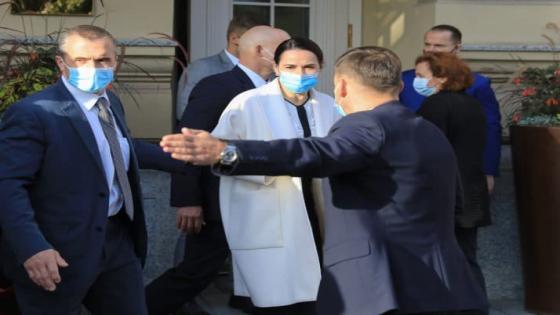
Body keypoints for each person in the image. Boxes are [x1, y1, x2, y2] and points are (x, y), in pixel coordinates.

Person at [161, 46, 489, 315]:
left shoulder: (364, 126)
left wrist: (227, 152)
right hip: (442, 281)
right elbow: (455, 200)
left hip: (378, 287)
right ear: (400, 87)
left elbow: (317, 153)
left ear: (341, 85)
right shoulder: (427, 129)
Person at [0, 25, 186, 315]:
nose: (93, 68)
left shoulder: (111, 102)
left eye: (102, 60)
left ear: (116, 62)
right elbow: (7, 185)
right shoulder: (34, 113)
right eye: (81, 61)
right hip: (55, 252)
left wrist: (186, 156)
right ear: (62, 64)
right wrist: (32, 248)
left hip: (116, 242)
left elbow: (117, 147)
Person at [145, 25, 290, 315]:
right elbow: (188, 141)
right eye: (284, 47)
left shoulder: (277, 90)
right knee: (197, 271)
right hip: (219, 199)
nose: (290, 53)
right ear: (261, 51)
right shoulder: (218, 86)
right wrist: (188, 200)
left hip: (262, 200)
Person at [210, 37, 340, 314]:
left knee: (318, 293)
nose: (300, 74)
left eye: (309, 67)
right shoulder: (247, 103)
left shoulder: (329, 105)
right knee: (275, 296)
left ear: (321, 67)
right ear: (276, 67)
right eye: (291, 66)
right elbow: (219, 155)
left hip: (318, 207)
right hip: (269, 207)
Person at [414, 52, 490, 313]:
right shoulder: (471, 104)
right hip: (471, 192)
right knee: (468, 258)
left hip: (446, 194)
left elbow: (423, 152)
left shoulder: (435, 106)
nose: (416, 80)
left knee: (444, 260)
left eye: (421, 76)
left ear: (442, 78)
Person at [399, 24, 501, 195]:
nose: (430, 50)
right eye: (427, 44)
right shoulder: (405, 79)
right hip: (411, 166)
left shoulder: (477, 83)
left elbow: (490, 128)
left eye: (439, 46)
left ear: (457, 48)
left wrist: (488, 170)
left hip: (459, 169)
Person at [175, 15, 259, 121]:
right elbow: (185, 112)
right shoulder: (203, 67)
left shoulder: (265, 71)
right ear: (235, 39)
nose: (260, 46)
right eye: (255, 40)